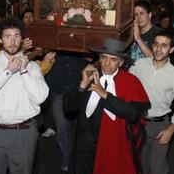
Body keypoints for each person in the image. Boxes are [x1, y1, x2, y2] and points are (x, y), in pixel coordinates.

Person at [64, 38, 150, 174]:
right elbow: (68, 107)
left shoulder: (130, 82)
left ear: (121, 62)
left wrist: (104, 94)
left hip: (111, 145)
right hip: (84, 144)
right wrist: (82, 85)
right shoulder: (87, 74)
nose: (107, 63)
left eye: (113, 59)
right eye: (104, 57)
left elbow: (132, 114)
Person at [0, 17, 49, 174]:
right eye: (7, 36)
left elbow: (40, 98)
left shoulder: (33, 68)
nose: (12, 41)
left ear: (22, 39)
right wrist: (8, 71)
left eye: (16, 36)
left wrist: (23, 70)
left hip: (23, 133)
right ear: (0, 40)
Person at [130, 32, 174, 174]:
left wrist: (171, 130)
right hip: (138, 123)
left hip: (160, 126)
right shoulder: (139, 65)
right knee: (139, 165)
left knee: (157, 168)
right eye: (156, 44)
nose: (158, 49)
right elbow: (127, 88)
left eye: (164, 46)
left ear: (171, 50)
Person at [45, 52, 89, 173]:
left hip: (78, 89)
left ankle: (75, 160)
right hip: (58, 90)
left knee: (79, 128)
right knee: (62, 128)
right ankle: (66, 160)